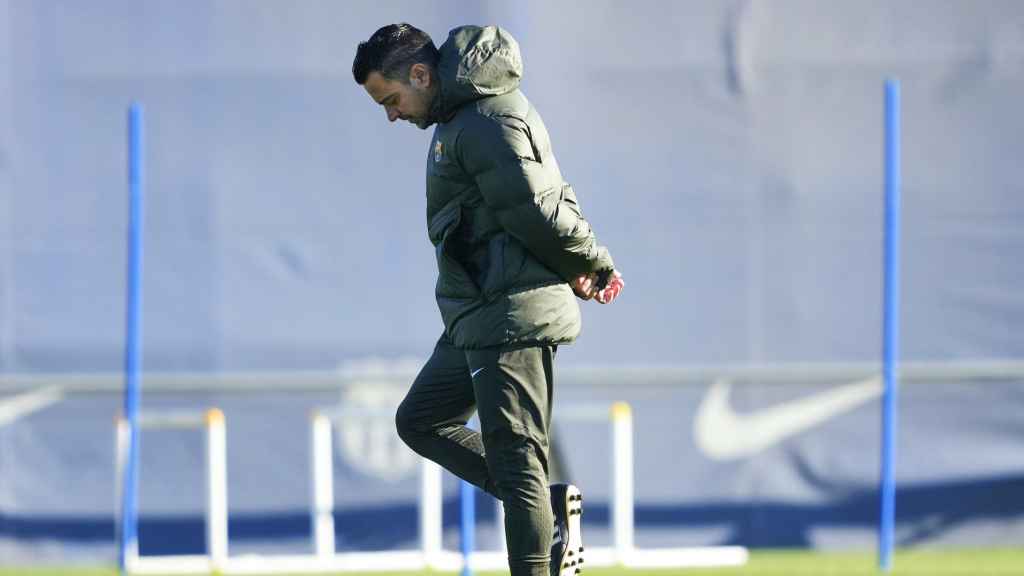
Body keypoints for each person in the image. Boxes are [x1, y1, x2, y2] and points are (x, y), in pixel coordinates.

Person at [352, 23, 624, 576]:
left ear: (422, 74)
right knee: (420, 420)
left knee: (519, 464)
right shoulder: (460, 120)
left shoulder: (484, 119)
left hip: (509, 313)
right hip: (476, 314)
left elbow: (537, 208)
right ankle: (545, 510)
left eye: (391, 99)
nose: (392, 114)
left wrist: (589, 260)